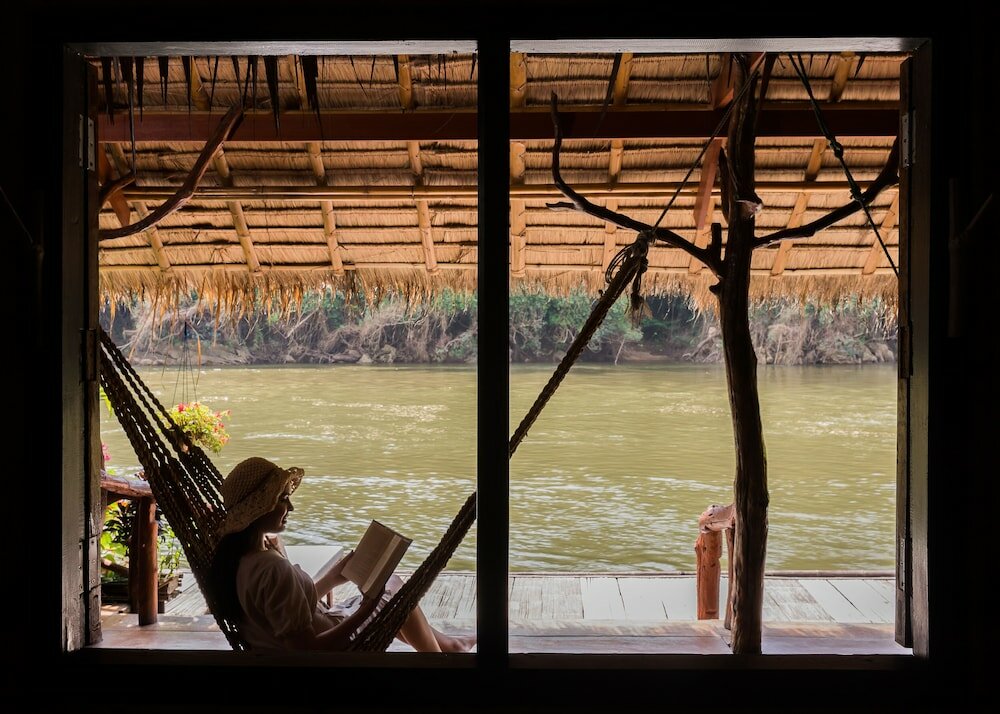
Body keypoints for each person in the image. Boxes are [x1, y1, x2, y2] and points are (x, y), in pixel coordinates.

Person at [209, 456, 476, 653]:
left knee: (392, 585)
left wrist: (334, 577)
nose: (290, 506)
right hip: (338, 649)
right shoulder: (270, 570)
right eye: (282, 499)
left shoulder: (244, 559)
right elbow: (306, 652)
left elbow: (288, 608)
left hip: (326, 624)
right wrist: (366, 610)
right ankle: (439, 663)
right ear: (259, 510)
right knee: (395, 596)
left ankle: (450, 645)